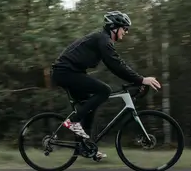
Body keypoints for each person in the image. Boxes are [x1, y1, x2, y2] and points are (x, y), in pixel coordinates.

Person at [50, 10, 161, 160]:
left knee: (89, 106)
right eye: (125, 29)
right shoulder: (103, 39)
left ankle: (86, 146)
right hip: (65, 73)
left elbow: (117, 64)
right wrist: (140, 80)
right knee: (104, 91)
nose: (126, 32)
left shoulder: (103, 39)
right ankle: (73, 122)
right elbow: (115, 65)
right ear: (114, 27)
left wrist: (136, 80)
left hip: (71, 72)